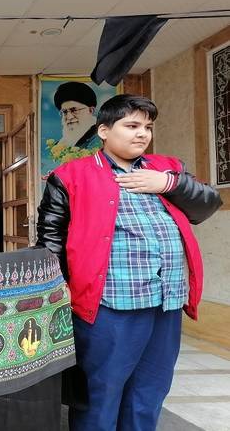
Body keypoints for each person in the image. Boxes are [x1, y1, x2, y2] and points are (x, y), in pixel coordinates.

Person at [37, 94, 222, 431]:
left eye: (148, 127)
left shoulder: (167, 168)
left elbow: (208, 204)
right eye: (132, 125)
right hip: (109, 305)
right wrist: (55, 298)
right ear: (104, 131)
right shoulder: (70, 175)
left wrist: (168, 183)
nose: (142, 134)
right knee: (101, 393)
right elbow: (51, 241)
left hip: (166, 301)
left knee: (150, 391)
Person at [53, 81, 101, 150]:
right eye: (65, 112)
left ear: (91, 110)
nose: (69, 117)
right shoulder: (59, 146)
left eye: (74, 110)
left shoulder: (99, 140)